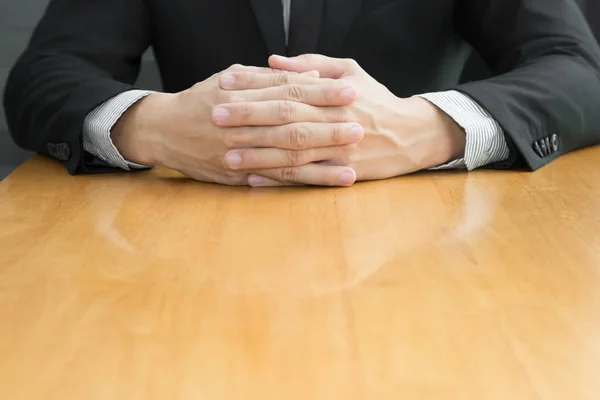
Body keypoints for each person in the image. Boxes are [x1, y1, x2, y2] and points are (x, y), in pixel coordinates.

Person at [3, 0, 600, 187]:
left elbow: (580, 69)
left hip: (424, 244)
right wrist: (152, 126)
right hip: (190, 236)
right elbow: (45, 72)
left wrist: (430, 128)